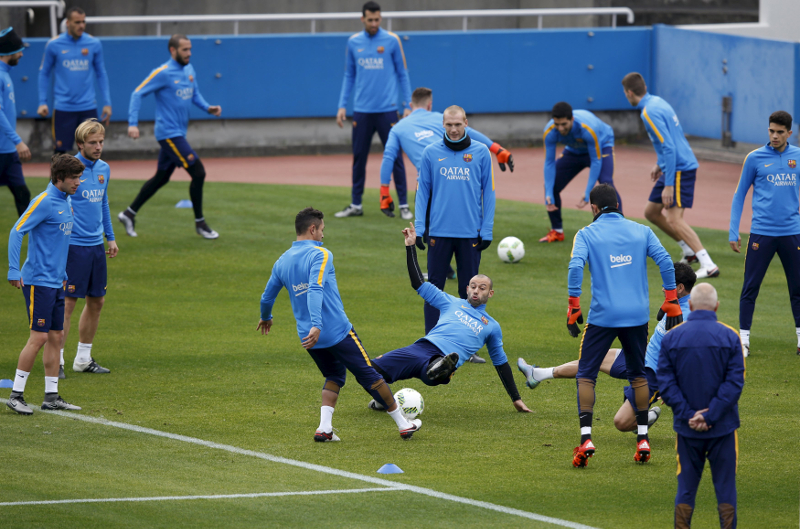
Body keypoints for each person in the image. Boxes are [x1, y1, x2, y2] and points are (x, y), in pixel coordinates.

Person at [258, 207, 422, 441]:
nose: (323, 235)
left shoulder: (281, 261)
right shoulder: (321, 254)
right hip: (334, 330)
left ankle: (324, 429)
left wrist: (266, 317)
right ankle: (404, 424)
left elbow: (267, 297)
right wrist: (318, 324)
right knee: (369, 373)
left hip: (309, 337)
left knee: (334, 375)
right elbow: (315, 287)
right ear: (312, 229)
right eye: (322, 230)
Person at [565, 183, 682, 468]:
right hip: (636, 316)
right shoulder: (641, 231)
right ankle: (643, 438)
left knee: (586, 375)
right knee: (638, 375)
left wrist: (574, 305)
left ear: (594, 208)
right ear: (618, 204)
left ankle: (586, 439)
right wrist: (671, 299)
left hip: (603, 317)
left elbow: (575, 266)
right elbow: (666, 261)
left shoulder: (586, 234)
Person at [367, 222, 531, 413]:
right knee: (370, 370)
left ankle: (443, 367)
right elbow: (418, 282)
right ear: (467, 288)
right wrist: (410, 246)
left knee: (435, 370)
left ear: (490, 293)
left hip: (438, 358)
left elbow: (501, 364)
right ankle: (382, 402)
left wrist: (516, 399)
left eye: (482, 288)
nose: (476, 290)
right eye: (473, 286)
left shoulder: (492, 327)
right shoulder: (451, 302)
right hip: (420, 348)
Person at [519, 261, 697, 432]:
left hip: (653, 375)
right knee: (595, 359)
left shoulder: (686, 316)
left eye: (667, 283)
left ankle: (644, 419)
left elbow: (687, 357)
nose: (663, 287)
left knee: (621, 422)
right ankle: (538, 374)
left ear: (680, 287)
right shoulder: (676, 304)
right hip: (641, 358)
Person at [657, 283, 744, 528]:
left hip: (687, 430)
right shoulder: (730, 336)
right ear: (716, 306)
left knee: (686, 489)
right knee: (725, 489)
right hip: (723, 428)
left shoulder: (672, 337)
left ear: (691, 306)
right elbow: (735, 383)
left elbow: (665, 382)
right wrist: (711, 415)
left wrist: (688, 415)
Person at [119, 34, 221, 240]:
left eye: (190, 49)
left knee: (161, 178)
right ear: (172, 51)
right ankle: (200, 223)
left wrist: (207, 108)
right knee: (198, 172)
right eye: (185, 50)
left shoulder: (189, 70)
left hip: (178, 133)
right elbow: (136, 93)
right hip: (168, 134)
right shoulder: (162, 73)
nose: (189, 53)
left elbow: (194, 95)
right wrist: (132, 124)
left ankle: (128, 213)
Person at [6, 154, 85, 415]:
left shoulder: (66, 201)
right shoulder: (43, 202)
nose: (78, 182)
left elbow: (57, 244)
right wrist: (13, 268)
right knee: (39, 337)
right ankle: (16, 395)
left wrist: (62, 272)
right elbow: (17, 230)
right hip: (37, 281)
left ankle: (51, 396)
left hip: (55, 281)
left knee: (57, 336)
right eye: (74, 178)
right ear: (59, 178)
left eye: (79, 177)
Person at [622, 72, 719, 279]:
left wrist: (668, 185)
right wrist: (660, 164)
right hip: (673, 166)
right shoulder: (658, 102)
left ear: (630, 93)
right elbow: (672, 139)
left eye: (625, 93)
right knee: (651, 212)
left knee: (674, 219)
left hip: (679, 169)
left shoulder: (648, 112)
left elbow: (669, 146)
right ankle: (689, 251)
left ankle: (708, 264)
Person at [415, 105, 495, 335]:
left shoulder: (481, 152)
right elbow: (423, 192)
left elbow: (488, 193)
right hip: (438, 234)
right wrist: (420, 227)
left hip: (470, 234)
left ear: (466, 123)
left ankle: (466, 344)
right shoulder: (430, 152)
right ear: (443, 124)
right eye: (449, 125)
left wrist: (486, 230)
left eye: (458, 125)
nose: (453, 130)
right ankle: (431, 342)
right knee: (433, 290)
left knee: (471, 293)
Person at [378, 86, 513, 218]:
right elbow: (471, 133)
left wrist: (384, 192)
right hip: (458, 176)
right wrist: (498, 150)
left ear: (410, 104)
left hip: (428, 183)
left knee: (429, 233)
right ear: (429, 105)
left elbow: (389, 158)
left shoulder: (398, 128)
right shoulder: (440, 119)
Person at [729, 110, 800, 358]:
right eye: (771, 131)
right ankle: (744, 341)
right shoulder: (754, 158)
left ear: (790, 133)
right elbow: (739, 195)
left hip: (793, 234)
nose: (775, 136)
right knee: (750, 287)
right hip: (761, 234)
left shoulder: (798, 157)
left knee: (798, 288)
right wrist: (733, 231)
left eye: (780, 132)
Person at [334, 1, 412, 219]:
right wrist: (342, 105)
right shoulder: (353, 43)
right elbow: (349, 75)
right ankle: (356, 204)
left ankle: (404, 205)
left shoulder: (392, 40)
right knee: (359, 157)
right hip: (362, 111)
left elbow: (402, 73)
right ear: (363, 19)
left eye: (378, 19)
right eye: (370, 20)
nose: (374, 23)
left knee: (395, 156)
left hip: (388, 111)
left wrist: (408, 105)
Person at [59, 119, 117, 378]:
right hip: (73, 246)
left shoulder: (104, 168)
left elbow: (103, 204)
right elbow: (55, 203)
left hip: (96, 247)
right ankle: (57, 360)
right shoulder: (69, 169)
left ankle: (83, 358)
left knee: (97, 301)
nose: (98, 147)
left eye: (101, 142)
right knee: (68, 303)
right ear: (80, 144)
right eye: (93, 143)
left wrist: (111, 237)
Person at [539, 102, 619, 244]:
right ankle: (557, 231)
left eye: (564, 124)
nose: (560, 128)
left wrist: (588, 191)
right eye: (557, 124)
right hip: (574, 150)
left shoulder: (587, 129)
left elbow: (595, 160)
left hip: (602, 144)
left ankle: (618, 230)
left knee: (607, 184)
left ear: (572, 120)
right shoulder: (550, 132)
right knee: (551, 185)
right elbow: (549, 162)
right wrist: (548, 193)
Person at [37, 7, 112, 152]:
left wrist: (107, 103)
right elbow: (44, 73)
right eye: (77, 22)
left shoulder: (94, 43)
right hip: (63, 108)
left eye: (83, 22)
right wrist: (42, 102)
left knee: (92, 153)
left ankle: (89, 176)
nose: (81, 25)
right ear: (67, 23)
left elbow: (101, 73)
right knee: (60, 155)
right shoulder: (54, 44)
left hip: (88, 107)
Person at [0, 27, 31, 217]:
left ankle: (27, 243)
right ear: (8, 53)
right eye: (19, 50)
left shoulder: (6, 74)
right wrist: (18, 140)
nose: (21, 54)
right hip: (3, 149)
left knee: (23, 194)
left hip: (8, 152)